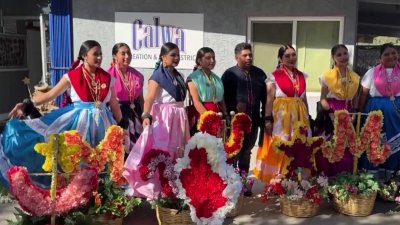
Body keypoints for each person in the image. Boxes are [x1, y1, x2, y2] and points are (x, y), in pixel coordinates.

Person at [0, 40, 127, 187]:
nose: (99, 58)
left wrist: (121, 123)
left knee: (104, 159)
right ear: (85, 56)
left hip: (104, 123)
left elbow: (113, 103)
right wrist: (27, 103)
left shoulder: (107, 78)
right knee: (77, 158)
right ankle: (78, 194)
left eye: (100, 54)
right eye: (95, 54)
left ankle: (102, 196)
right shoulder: (72, 77)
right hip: (79, 123)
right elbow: (50, 95)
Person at [123, 42, 190, 199]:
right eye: (172, 55)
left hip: (178, 117)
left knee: (177, 151)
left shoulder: (178, 75)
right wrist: (146, 114)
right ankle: (157, 188)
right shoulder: (157, 76)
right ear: (163, 57)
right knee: (163, 150)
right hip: (164, 118)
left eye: (178, 55)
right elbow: (150, 98)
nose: (176, 58)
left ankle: (174, 187)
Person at [253, 45, 310, 183]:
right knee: (282, 145)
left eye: (293, 55)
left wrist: (309, 117)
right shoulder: (274, 76)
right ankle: (278, 180)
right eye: (287, 56)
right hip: (282, 118)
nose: (291, 58)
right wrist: (267, 120)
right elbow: (269, 100)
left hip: (300, 117)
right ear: (280, 58)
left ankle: (295, 179)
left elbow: (304, 98)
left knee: (299, 145)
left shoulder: (301, 75)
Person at [222, 43, 266, 196]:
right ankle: (232, 186)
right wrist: (229, 118)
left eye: (250, 55)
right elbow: (223, 99)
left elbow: (264, 100)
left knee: (247, 152)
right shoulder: (229, 74)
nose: (249, 58)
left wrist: (264, 119)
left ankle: (244, 183)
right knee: (235, 153)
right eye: (245, 55)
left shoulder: (259, 74)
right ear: (237, 57)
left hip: (253, 121)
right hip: (235, 123)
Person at [314, 44, 360, 177]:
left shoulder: (355, 77)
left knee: (347, 146)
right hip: (332, 112)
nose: (343, 57)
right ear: (333, 58)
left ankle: (344, 180)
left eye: (345, 53)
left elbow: (356, 98)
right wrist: (331, 114)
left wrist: (355, 113)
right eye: (339, 55)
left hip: (349, 112)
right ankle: (328, 179)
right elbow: (323, 99)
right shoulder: (327, 76)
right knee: (331, 144)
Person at [359, 43, 400, 181]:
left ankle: (393, 180)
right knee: (375, 143)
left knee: (395, 145)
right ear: (380, 58)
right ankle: (372, 181)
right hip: (375, 113)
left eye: (393, 53)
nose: (391, 56)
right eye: (386, 54)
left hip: (397, 115)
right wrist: (360, 112)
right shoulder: (372, 72)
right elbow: (364, 94)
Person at [107, 43, 144, 154]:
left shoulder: (137, 75)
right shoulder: (108, 75)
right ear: (115, 56)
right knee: (121, 146)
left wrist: (143, 115)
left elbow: (141, 98)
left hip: (134, 113)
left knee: (136, 146)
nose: (127, 56)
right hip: (117, 114)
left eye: (128, 53)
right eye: (123, 53)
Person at [186, 47, 227, 135]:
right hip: (202, 114)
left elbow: (221, 99)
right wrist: (209, 118)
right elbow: (196, 102)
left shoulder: (217, 78)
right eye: (208, 58)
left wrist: (225, 114)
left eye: (213, 58)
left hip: (217, 113)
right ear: (199, 60)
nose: (212, 60)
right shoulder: (193, 78)